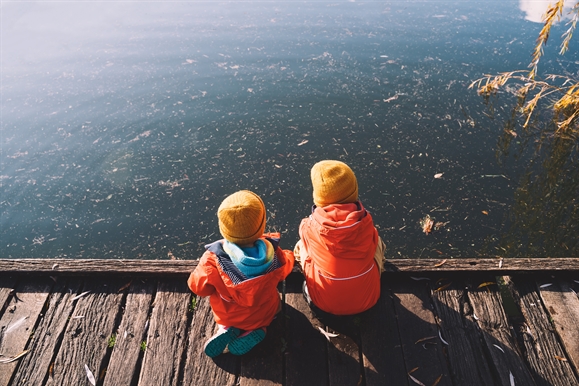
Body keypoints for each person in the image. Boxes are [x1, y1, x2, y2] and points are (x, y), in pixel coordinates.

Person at [188, 190, 294, 357]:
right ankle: (259, 329)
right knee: (271, 311)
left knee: (227, 317)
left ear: (223, 228)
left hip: (228, 315)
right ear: (262, 224)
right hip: (264, 313)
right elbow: (285, 269)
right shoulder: (273, 254)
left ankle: (225, 328)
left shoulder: (212, 259)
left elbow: (198, 288)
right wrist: (290, 255)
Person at [294, 160, 386, 320]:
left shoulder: (308, 226)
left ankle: (310, 287)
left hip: (323, 304)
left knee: (302, 245)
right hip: (369, 300)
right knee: (376, 240)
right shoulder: (365, 222)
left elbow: (305, 242)